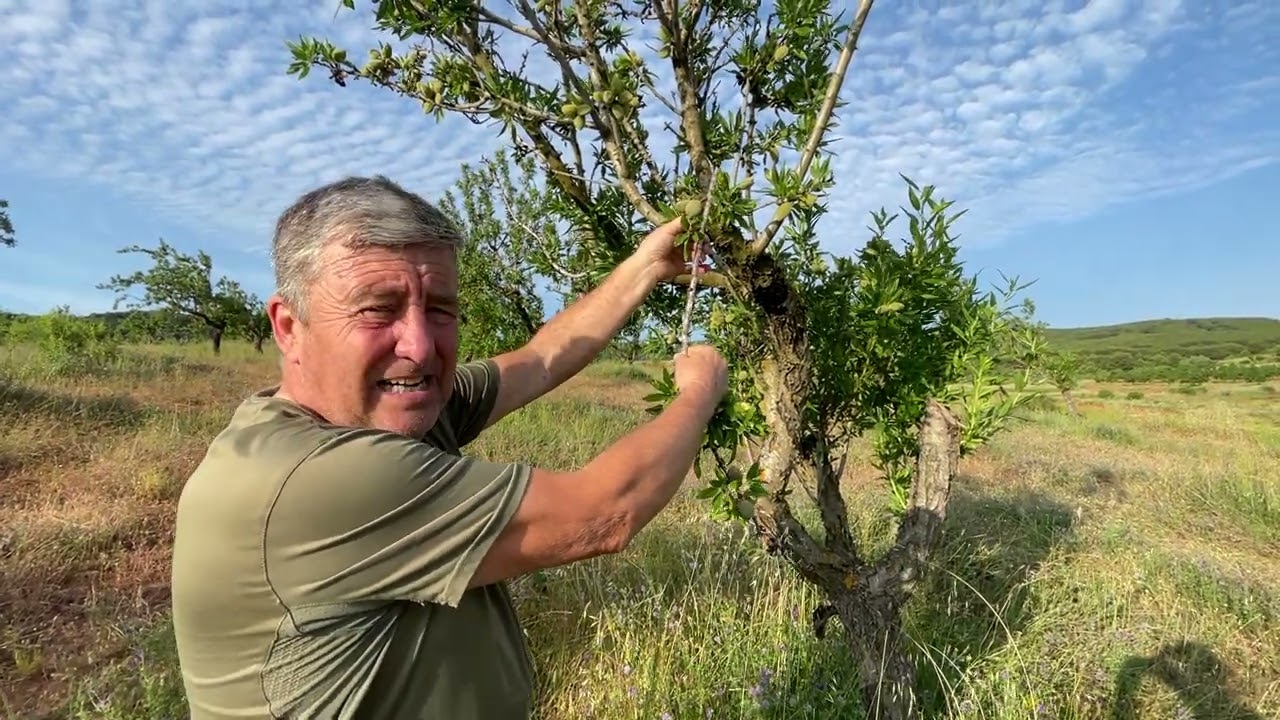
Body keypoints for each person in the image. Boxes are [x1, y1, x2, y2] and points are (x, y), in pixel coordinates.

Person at [169, 175, 728, 719]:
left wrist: (648, 265)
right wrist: (700, 391)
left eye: (439, 308)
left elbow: (538, 361)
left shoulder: (380, 411)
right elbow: (606, 512)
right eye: (377, 309)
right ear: (289, 327)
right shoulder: (320, 479)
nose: (419, 345)